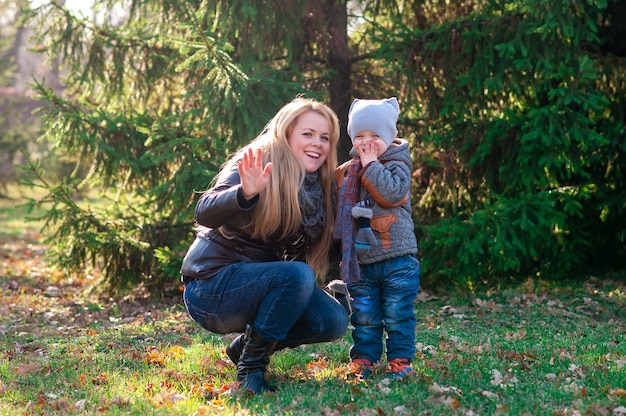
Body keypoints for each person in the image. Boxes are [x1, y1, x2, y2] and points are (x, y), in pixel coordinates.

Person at [180, 97, 349, 395]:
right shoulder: (258, 160)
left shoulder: (317, 189)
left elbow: (319, 249)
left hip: (259, 286)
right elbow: (204, 210)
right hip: (211, 288)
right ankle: (252, 369)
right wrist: (245, 193)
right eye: (308, 134)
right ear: (286, 135)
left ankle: (244, 348)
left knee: (332, 320)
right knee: (298, 275)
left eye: (325, 137)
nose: (318, 144)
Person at [333, 97, 420, 379]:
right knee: (365, 317)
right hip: (363, 260)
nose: (367, 143)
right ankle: (364, 360)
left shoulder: (397, 164)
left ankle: (399, 362)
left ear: (389, 137)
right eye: (360, 136)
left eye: (374, 136)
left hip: (397, 259)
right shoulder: (350, 170)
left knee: (397, 315)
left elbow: (392, 193)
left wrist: (371, 165)